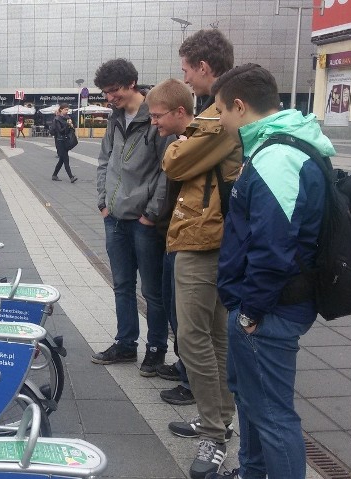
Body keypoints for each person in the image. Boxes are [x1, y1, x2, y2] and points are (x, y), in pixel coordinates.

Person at [208, 63, 329, 479]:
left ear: (239, 107)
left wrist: (249, 313)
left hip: (268, 311)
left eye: (221, 110)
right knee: (252, 400)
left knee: (274, 415)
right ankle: (252, 471)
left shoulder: (277, 157)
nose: (220, 121)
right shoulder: (275, 148)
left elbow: (273, 249)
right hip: (263, 306)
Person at [159, 29, 243, 479]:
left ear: (205, 68)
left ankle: (215, 434)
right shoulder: (223, 111)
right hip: (212, 235)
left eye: (188, 69)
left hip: (203, 238)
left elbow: (174, 162)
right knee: (214, 337)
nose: (186, 78)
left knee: (195, 337)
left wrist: (176, 144)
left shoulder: (219, 117)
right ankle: (217, 421)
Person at [92, 58, 171, 374]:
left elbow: (168, 169)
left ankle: (156, 349)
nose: (110, 98)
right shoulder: (114, 119)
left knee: (152, 290)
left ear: (132, 84)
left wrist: (152, 213)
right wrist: (103, 202)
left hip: (144, 221)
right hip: (114, 217)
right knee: (122, 285)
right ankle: (126, 345)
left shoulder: (154, 118)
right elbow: (103, 161)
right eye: (106, 93)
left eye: (114, 91)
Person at [144, 78, 198, 408]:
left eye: (157, 115)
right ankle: (183, 366)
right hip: (172, 236)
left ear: (179, 111)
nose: (153, 122)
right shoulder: (182, 140)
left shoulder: (195, 145)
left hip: (190, 241)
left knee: (186, 316)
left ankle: (193, 382)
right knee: (171, 303)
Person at [48, 104, 78, 183]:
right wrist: (67, 125)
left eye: (67, 110)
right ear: (61, 110)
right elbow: (60, 131)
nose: (67, 111)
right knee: (65, 159)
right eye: (65, 109)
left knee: (61, 160)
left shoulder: (68, 118)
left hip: (66, 140)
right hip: (60, 141)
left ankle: (54, 175)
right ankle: (71, 177)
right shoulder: (57, 119)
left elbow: (71, 129)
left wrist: (71, 125)